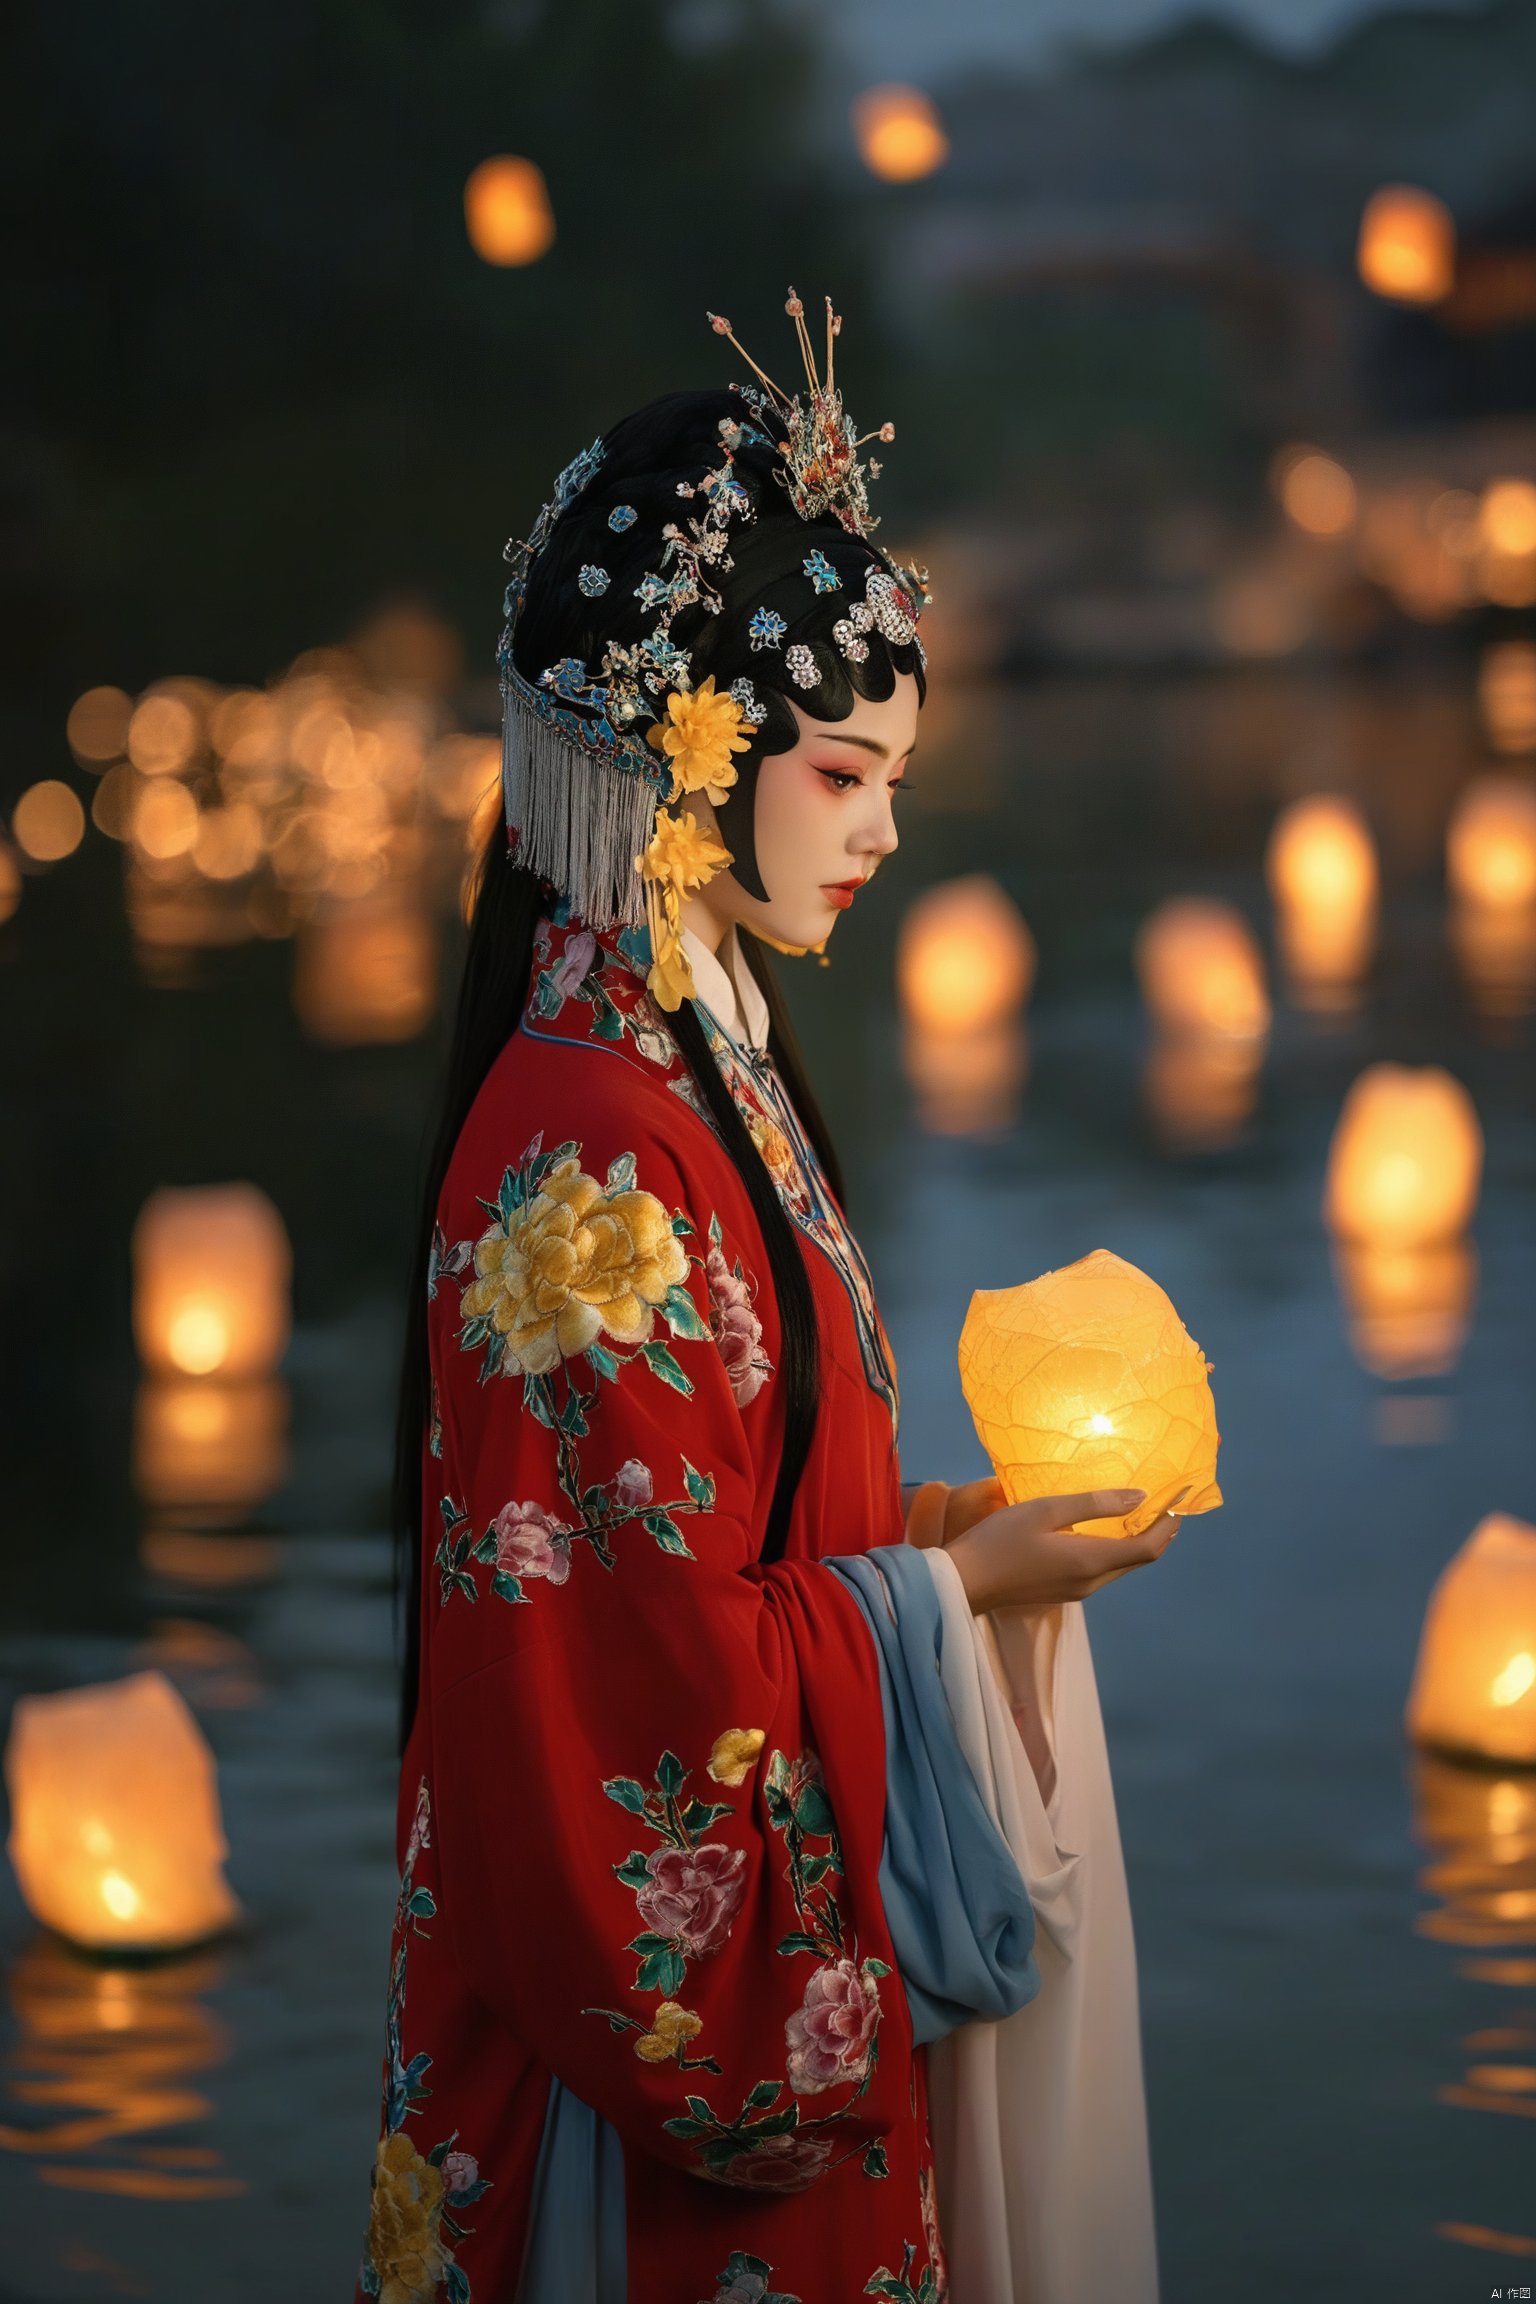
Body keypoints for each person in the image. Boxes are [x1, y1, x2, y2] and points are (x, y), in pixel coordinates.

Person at [354, 296, 1174, 2304]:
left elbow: (723, 1544)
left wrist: (939, 1543)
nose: (888, 824)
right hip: (625, 2125)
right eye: (842, 768)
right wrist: (939, 1614)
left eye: (897, 769)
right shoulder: (594, 1156)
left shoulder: (693, 1068)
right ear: (690, 752)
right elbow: (614, 1688)